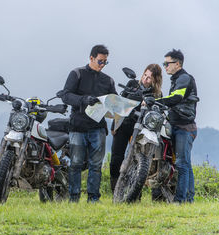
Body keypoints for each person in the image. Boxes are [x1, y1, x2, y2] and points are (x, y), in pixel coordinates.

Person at [61, 44, 117, 203]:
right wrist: (83, 100)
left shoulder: (108, 80)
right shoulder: (77, 73)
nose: (102, 65)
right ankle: (74, 198)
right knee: (76, 163)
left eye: (105, 62)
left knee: (96, 165)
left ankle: (93, 198)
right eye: (100, 61)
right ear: (91, 58)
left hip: (98, 128)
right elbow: (65, 96)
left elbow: (115, 101)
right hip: (78, 126)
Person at [110, 64, 163, 193]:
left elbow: (157, 112)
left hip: (141, 130)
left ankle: (134, 193)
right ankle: (115, 191)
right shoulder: (132, 83)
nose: (146, 79)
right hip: (124, 124)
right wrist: (114, 125)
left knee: (137, 160)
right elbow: (120, 104)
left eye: (150, 78)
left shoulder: (157, 94)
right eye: (145, 75)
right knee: (116, 157)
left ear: (155, 80)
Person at [156, 49, 198, 203]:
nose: (165, 66)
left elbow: (177, 97)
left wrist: (157, 101)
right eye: (164, 63)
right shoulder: (176, 79)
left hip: (184, 128)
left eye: (167, 63)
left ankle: (179, 200)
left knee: (182, 163)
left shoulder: (184, 78)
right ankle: (189, 199)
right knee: (185, 163)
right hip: (177, 126)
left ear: (178, 64)